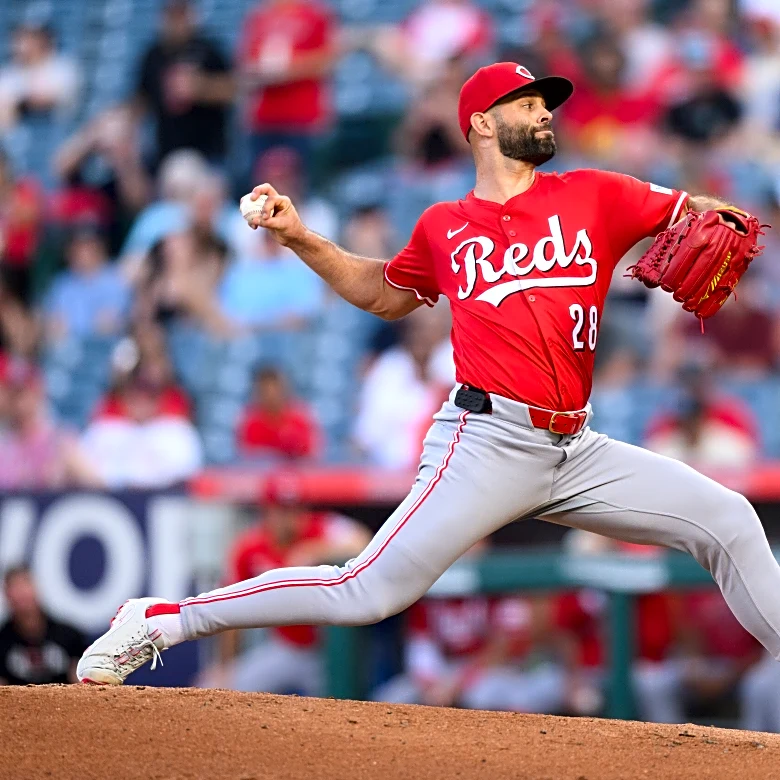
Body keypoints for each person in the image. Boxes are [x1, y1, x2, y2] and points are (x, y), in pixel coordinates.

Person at [78, 62, 780, 693]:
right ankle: (163, 619)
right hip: (485, 443)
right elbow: (384, 292)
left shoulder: (597, 194)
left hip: (578, 449)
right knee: (365, 590)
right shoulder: (447, 225)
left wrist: (715, 212)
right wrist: (300, 238)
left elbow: (700, 213)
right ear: (481, 123)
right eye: (527, 102)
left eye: (547, 103)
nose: (544, 113)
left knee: (728, 520)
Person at [197, 472, 370, 694]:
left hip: (328, 655)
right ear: (267, 510)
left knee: (339, 709)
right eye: (283, 510)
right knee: (214, 688)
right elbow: (229, 614)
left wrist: (313, 550)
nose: (291, 518)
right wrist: (224, 667)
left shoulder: (320, 528)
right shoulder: (251, 548)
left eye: (296, 509)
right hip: (286, 647)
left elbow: (363, 541)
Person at [133, 0, 233, 167]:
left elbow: (231, 90)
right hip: (166, 151)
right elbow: (141, 99)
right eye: (172, 15)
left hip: (207, 151)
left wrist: (201, 87)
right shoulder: (154, 54)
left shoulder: (208, 50)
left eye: (181, 14)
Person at [238, 0, 337, 167]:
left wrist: (286, 71)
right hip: (264, 118)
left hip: (302, 118)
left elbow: (326, 61)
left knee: (300, 182)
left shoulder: (315, 15)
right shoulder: (259, 17)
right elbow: (245, 63)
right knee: (262, 187)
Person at [80, 373, 203, 489]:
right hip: (106, 499)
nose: (140, 403)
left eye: (148, 397)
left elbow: (186, 475)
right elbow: (86, 472)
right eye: (133, 396)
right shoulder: (104, 429)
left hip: (162, 500)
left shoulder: (177, 431)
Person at [0, 359, 101, 490]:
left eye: (23, 394)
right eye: (13, 395)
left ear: (38, 393)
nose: (19, 403)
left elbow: (97, 484)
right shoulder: (4, 442)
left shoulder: (59, 440)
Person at [43, 223, 131, 342]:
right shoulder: (62, 283)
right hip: (70, 351)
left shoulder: (117, 278)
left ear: (100, 248)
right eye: (77, 247)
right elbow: (53, 322)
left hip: (109, 347)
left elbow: (116, 321)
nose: (82, 253)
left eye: (88, 246)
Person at [0, 566, 87, 685]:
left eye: (25, 585)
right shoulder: (2, 642)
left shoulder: (68, 637)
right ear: (7, 595)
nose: (21, 594)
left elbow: (82, 682)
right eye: (15, 588)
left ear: (35, 588)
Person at [0, 21, 80, 130]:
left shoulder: (62, 66)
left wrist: (19, 102)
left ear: (41, 41)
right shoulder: (10, 72)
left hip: (52, 126)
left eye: (27, 40)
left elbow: (52, 100)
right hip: (13, 130)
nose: (19, 46)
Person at [237, 366, 320, 461]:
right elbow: (247, 457)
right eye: (265, 390)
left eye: (274, 389)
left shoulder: (300, 418)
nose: (270, 395)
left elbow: (310, 455)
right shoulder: (251, 422)